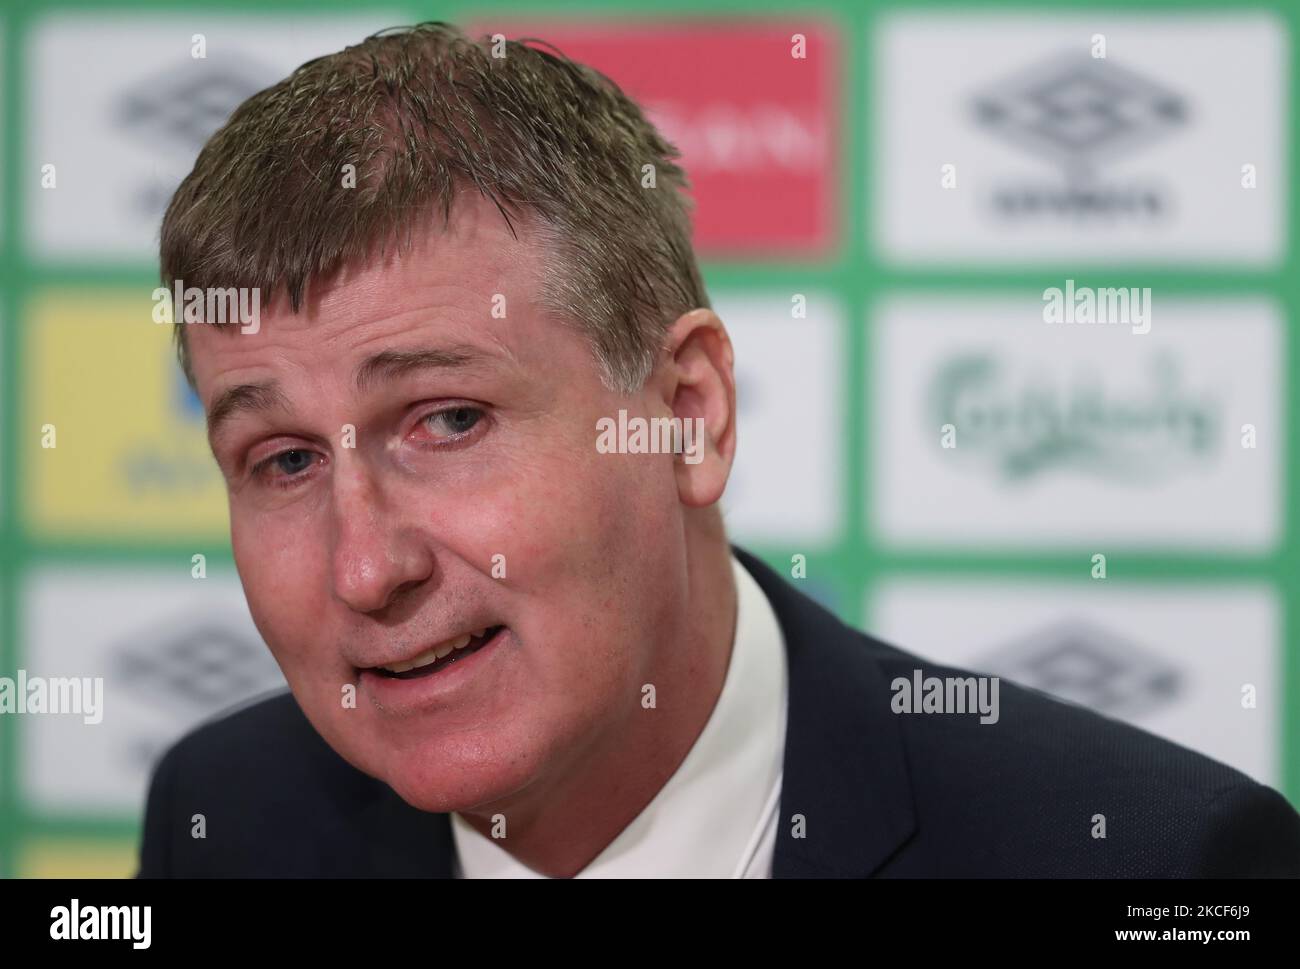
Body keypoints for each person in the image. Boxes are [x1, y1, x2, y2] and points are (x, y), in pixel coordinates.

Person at [137, 22, 1300, 878]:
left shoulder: (1153, 866)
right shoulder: (225, 820)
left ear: (685, 415)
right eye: (284, 459)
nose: (363, 567)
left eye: (448, 421)